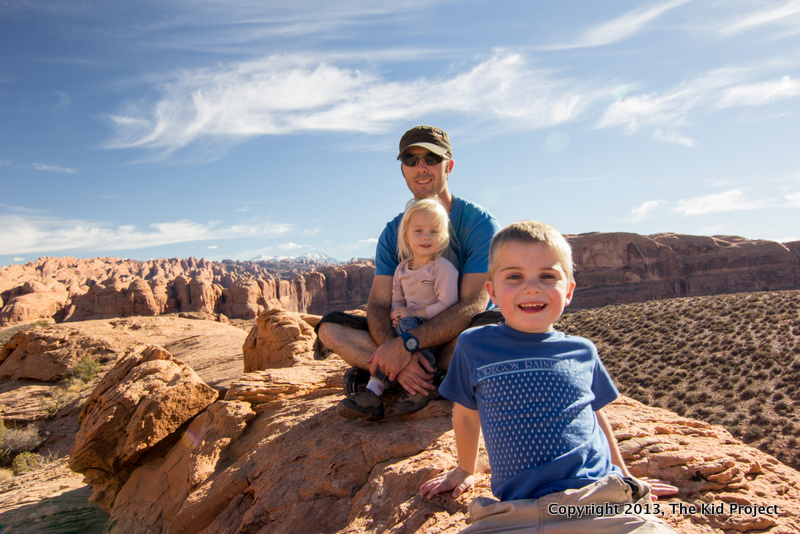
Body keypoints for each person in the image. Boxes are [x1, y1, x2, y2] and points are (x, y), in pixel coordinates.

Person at [420, 221, 678, 533]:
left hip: (598, 500)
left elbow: (595, 415)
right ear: (492, 292)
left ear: (568, 291)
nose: (532, 287)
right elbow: (466, 414)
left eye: (547, 276)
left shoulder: (582, 351)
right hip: (516, 512)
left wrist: (624, 476)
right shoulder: (474, 345)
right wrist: (464, 468)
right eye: (514, 276)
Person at [316, 125, 501, 415]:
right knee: (329, 329)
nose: (421, 167)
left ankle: (385, 377)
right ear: (403, 171)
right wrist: (395, 348)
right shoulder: (394, 232)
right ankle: (418, 377)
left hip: (455, 336)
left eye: (431, 158)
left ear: (449, 166)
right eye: (411, 161)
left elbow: (472, 304)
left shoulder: (478, 224)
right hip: (406, 331)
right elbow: (378, 304)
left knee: (489, 331)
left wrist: (407, 347)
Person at [338, 198, 459, 419]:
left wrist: (413, 315)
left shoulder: (442, 268)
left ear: (442, 237)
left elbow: (447, 305)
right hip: (404, 324)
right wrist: (396, 315)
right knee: (384, 334)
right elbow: (397, 297)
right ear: (406, 236)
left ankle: (421, 385)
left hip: (431, 329)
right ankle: (373, 393)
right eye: (419, 231)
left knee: (405, 328)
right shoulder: (402, 268)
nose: (426, 236)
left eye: (434, 231)